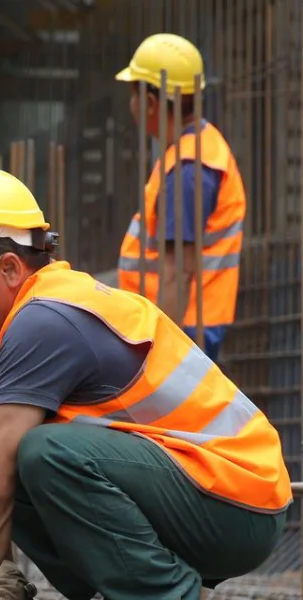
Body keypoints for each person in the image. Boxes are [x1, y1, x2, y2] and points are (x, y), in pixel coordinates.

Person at [0, 167, 289, 600]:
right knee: (9, 455)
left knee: (44, 452)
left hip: (240, 505)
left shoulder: (47, 320)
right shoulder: (11, 336)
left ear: (7, 268)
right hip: (201, 496)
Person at [116, 33, 245, 363]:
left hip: (184, 328)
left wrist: (160, 355)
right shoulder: (194, 150)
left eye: (133, 93)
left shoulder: (189, 170)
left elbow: (178, 272)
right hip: (188, 323)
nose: (130, 104)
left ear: (150, 103)